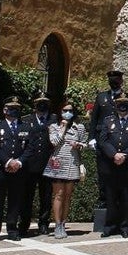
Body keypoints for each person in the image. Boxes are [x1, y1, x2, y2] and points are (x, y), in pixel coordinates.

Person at [0, 96, 34, 242]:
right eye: (11, 108)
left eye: (17, 108)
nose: (14, 111)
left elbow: (30, 148)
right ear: (4, 110)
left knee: (15, 202)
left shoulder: (26, 127)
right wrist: (8, 162)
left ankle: (12, 229)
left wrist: (18, 162)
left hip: (19, 171)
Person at [99, 92, 128, 238]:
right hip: (111, 166)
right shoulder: (108, 121)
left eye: (125, 104)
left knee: (127, 198)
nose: (122, 106)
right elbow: (103, 140)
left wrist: (124, 155)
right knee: (111, 198)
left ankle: (126, 227)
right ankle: (110, 226)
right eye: (119, 104)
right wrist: (114, 154)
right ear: (115, 105)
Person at [44, 100, 87, 240]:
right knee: (58, 194)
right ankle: (57, 224)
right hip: (58, 162)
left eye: (70, 110)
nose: (67, 113)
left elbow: (85, 144)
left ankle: (63, 222)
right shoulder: (53, 126)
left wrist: (78, 144)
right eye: (65, 110)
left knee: (68, 195)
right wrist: (62, 128)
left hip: (72, 162)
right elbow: (54, 142)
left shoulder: (79, 127)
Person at [19, 91, 55, 237]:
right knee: (27, 196)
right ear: (34, 104)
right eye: (39, 102)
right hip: (30, 164)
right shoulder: (26, 120)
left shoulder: (54, 119)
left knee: (46, 196)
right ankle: (24, 223)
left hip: (47, 163)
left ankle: (44, 223)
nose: (42, 105)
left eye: (45, 102)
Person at [89, 69, 126, 209]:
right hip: (102, 140)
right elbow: (94, 119)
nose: (113, 82)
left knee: (119, 172)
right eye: (111, 80)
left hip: (119, 139)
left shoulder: (126, 97)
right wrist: (91, 137)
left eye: (116, 80)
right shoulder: (101, 97)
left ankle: (119, 199)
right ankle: (103, 199)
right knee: (103, 171)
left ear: (121, 81)